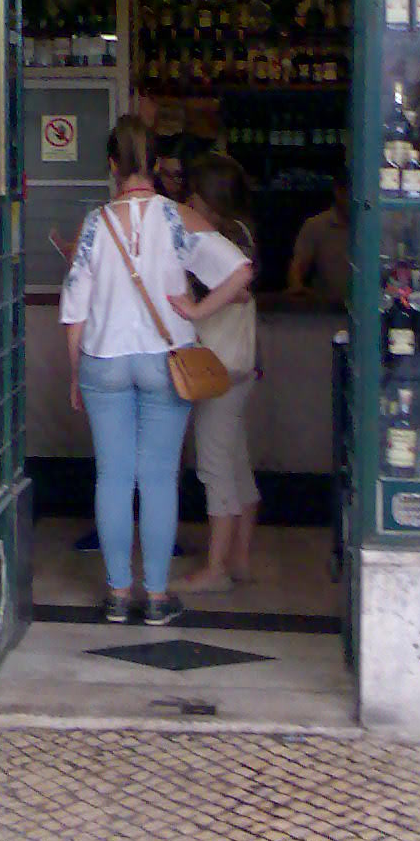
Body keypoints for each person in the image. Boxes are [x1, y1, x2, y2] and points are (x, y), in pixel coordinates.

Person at [60, 115, 253, 625]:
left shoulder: (94, 225)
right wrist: (198, 310)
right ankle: (158, 596)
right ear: (156, 164)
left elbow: (75, 309)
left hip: (103, 361)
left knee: (113, 476)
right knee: (159, 478)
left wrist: (75, 372)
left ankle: (118, 594)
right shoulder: (177, 218)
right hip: (165, 362)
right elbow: (240, 270)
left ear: (112, 165)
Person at [171, 154, 260, 592]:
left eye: (194, 195)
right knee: (236, 462)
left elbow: (234, 292)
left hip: (217, 369)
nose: (188, 203)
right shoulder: (243, 233)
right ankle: (239, 558)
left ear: (209, 199)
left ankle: (216, 569)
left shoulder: (221, 242)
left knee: (214, 467)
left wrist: (191, 303)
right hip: (239, 368)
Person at [287, 169, 351, 307]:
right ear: (339, 192)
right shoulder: (316, 225)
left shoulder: (374, 227)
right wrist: (297, 287)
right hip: (326, 310)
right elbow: (298, 267)